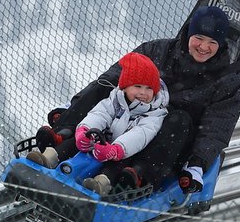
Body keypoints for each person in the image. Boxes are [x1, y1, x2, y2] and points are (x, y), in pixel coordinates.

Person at [46, 0, 240, 196]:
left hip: (170, 145)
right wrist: (78, 104)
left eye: (212, 42)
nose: (204, 47)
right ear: (188, 33)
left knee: (178, 118)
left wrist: (197, 162)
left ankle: (139, 175)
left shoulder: (227, 83)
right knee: (106, 86)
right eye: (199, 38)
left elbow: (216, 130)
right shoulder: (158, 52)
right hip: (127, 121)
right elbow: (116, 76)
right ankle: (63, 133)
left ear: (221, 44)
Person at [27, 52, 169, 195]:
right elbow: (99, 114)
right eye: (138, 86)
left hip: (124, 152)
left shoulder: (154, 114)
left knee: (119, 164)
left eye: (149, 88)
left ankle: (101, 183)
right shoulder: (114, 101)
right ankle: (49, 157)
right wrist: (84, 130)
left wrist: (116, 150)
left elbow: (140, 135)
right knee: (74, 143)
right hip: (100, 142)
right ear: (125, 87)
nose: (143, 93)